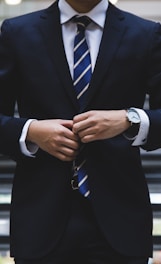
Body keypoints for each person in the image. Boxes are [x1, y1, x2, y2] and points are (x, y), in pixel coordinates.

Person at [0, 0, 161, 263]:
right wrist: (31, 131)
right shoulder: (17, 32)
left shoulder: (145, 33)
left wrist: (130, 119)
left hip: (121, 222)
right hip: (40, 221)